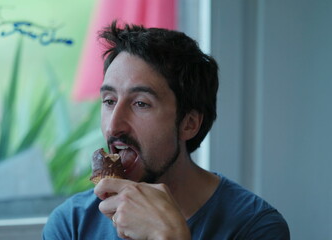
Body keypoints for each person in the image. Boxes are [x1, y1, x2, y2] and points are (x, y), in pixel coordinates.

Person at [43, 21, 290, 240]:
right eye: (109, 101)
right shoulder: (71, 225)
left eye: (140, 103)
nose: (113, 125)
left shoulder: (255, 228)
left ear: (189, 124)